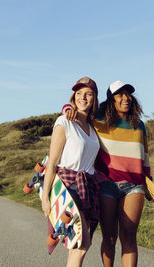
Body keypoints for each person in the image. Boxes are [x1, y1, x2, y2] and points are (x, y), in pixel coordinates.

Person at [65, 80, 150, 267]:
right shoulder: (98, 120)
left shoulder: (139, 125)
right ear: (111, 99)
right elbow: (80, 113)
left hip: (134, 185)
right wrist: (66, 108)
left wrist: (149, 182)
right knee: (110, 237)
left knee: (129, 235)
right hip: (106, 185)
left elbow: (145, 156)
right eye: (120, 94)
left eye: (128, 94)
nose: (126, 98)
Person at [41, 76, 100, 267]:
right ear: (73, 97)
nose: (83, 98)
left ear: (94, 99)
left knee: (78, 245)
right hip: (69, 188)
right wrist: (45, 197)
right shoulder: (64, 122)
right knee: (81, 244)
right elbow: (53, 162)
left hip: (88, 188)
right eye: (79, 93)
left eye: (88, 94)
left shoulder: (92, 127)